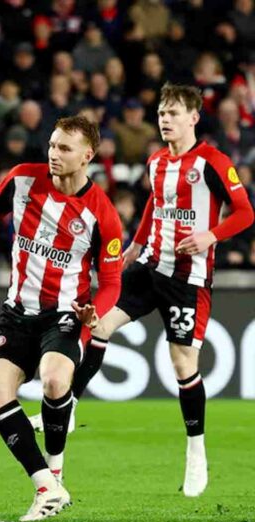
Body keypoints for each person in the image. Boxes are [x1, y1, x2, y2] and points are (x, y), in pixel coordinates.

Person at [52, 84, 255, 498]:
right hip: (149, 267)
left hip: (188, 279)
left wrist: (211, 236)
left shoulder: (213, 162)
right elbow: (154, 206)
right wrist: (136, 245)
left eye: (174, 112)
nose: (165, 119)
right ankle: (70, 404)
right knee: (98, 323)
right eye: (162, 111)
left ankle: (195, 452)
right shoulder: (157, 161)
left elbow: (246, 212)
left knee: (183, 365)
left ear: (194, 118)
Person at [0, 115, 123, 521]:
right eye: (51, 145)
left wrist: (95, 311)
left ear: (88, 156)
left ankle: (57, 466)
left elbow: (113, 280)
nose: (53, 154)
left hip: (64, 315)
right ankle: (46, 486)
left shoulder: (102, 213)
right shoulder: (23, 179)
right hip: (16, 312)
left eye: (64, 149)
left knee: (54, 379)